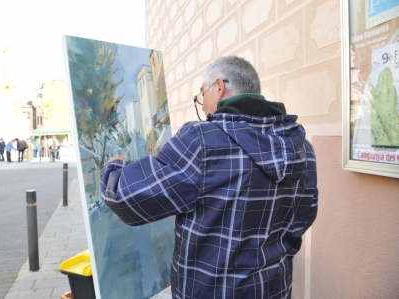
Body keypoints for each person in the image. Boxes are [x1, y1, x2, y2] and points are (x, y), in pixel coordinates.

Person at [101, 56, 318, 298]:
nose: (203, 107)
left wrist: (114, 168)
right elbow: (303, 220)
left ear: (219, 87)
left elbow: (126, 197)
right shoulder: (302, 149)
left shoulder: (202, 141)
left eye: (202, 94)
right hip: (274, 290)